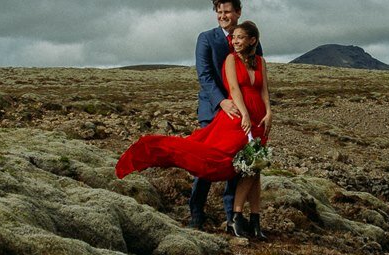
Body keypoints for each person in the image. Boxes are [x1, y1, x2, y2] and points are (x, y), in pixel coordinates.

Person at [116, 19, 272, 240]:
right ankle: (233, 217)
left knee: (255, 167)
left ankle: (255, 222)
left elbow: (264, 90)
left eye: (240, 38)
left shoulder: (260, 61)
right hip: (238, 118)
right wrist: (244, 114)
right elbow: (234, 89)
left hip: (260, 121)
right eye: (234, 37)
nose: (235, 41)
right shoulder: (230, 59)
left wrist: (269, 113)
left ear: (252, 40)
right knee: (228, 161)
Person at [188, 0, 243, 230]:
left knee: (238, 163)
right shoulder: (206, 39)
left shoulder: (248, 38)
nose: (223, 16)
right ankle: (196, 212)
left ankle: (232, 216)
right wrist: (222, 102)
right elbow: (205, 76)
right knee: (207, 161)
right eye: (219, 12)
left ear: (238, 12)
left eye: (227, 12)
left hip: (239, 113)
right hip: (213, 109)